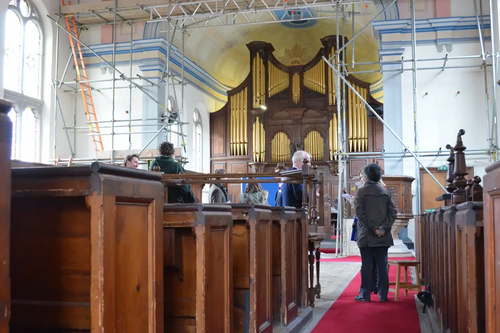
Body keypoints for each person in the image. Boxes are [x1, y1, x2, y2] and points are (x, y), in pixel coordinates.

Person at [354, 163, 397, 302]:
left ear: (365, 176)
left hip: (366, 235)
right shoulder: (385, 192)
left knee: (366, 265)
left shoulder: (361, 192)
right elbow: (393, 213)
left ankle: (365, 294)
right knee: (382, 265)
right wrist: (383, 228)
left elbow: (360, 214)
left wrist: (373, 228)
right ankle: (383, 295)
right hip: (382, 236)